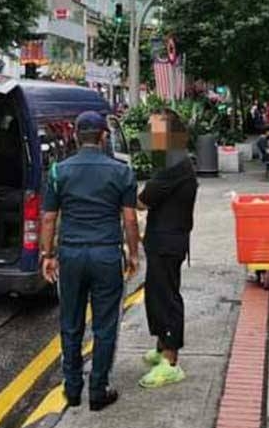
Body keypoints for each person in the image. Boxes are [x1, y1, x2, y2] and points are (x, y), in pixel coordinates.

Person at [40, 112, 140, 412]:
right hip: (106, 254)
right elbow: (130, 219)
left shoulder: (59, 171)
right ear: (104, 136)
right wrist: (133, 254)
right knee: (105, 324)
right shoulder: (121, 171)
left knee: (70, 323)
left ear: (74, 136)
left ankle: (72, 389)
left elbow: (48, 218)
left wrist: (47, 255)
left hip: (70, 255)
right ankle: (98, 389)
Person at [137, 142, 198, 389]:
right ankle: (162, 346)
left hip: (167, 242)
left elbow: (144, 200)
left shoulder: (173, 165)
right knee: (155, 294)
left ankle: (171, 361)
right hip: (163, 239)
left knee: (166, 297)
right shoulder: (176, 161)